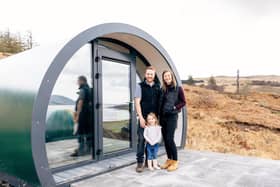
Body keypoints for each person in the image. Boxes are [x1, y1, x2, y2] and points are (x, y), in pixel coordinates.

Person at [134, 66, 161, 172]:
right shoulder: (139, 86)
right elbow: (137, 102)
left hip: (153, 120)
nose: (150, 76)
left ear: (154, 75)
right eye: (148, 74)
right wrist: (140, 117)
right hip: (143, 118)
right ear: (145, 74)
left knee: (152, 141)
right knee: (141, 140)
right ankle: (140, 163)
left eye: (152, 74)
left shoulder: (158, 87)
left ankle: (149, 161)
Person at [160, 70, 186, 171]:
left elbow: (183, 102)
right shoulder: (163, 89)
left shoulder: (178, 89)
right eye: (165, 76)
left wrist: (175, 107)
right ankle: (169, 160)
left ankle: (175, 161)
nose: (167, 78)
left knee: (170, 139)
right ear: (163, 78)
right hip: (163, 117)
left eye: (168, 76)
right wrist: (158, 116)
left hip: (172, 117)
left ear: (171, 77)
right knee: (165, 140)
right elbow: (161, 103)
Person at [71, 76, 92, 157]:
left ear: (82, 81)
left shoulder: (83, 90)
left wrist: (77, 114)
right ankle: (88, 149)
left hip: (83, 114)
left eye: (78, 81)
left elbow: (80, 102)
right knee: (87, 132)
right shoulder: (89, 89)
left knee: (81, 132)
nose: (77, 82)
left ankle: (81, 150)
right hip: (89, 115)